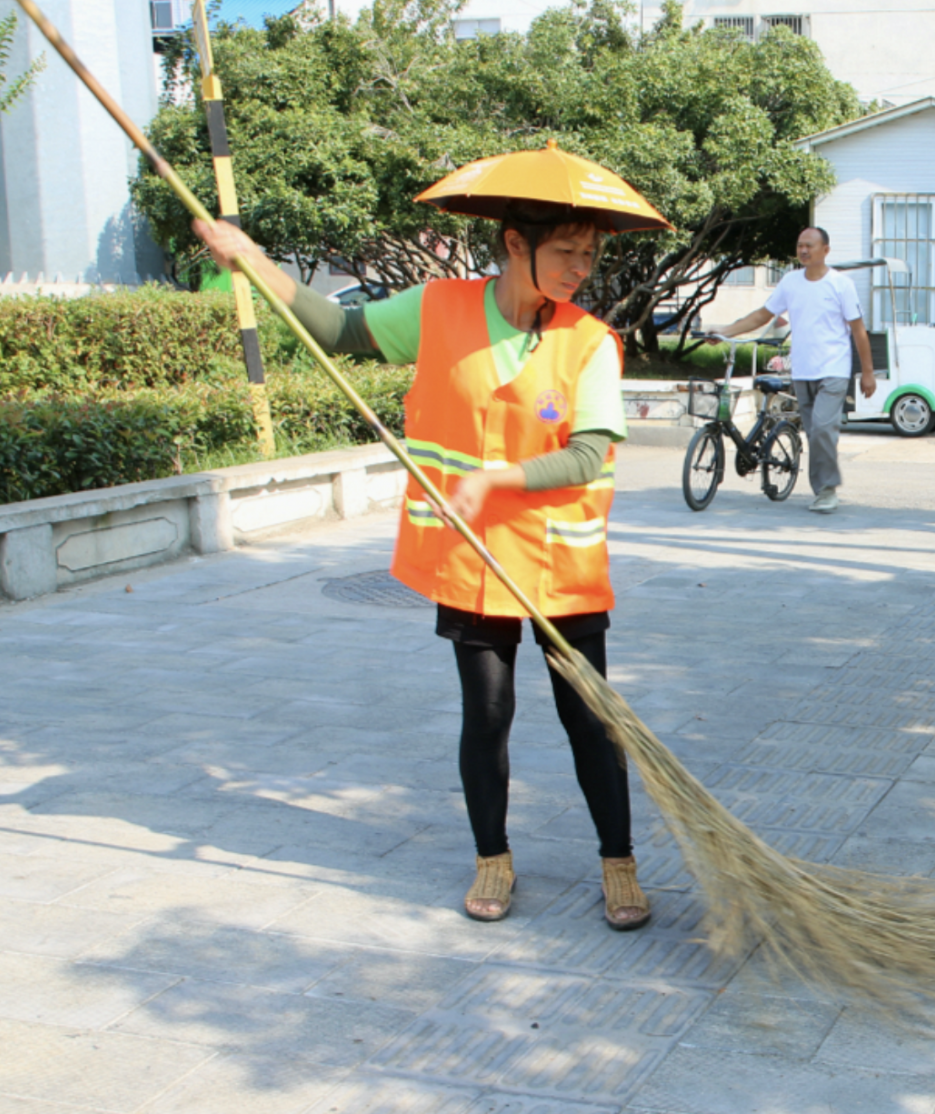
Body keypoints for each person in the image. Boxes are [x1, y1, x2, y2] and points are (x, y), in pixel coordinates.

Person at [192, 189, 654, 934]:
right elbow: (338, 327)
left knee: (589, 718)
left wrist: (493, 480)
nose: (580, 268)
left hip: (558, 562)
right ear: (513, 242)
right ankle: (492, 856)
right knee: (489, 714)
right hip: (471, 557)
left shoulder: (590, 340)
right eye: (566, 251)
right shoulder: (439, 309)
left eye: (590, 254)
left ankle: (618, 861)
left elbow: (590, 452)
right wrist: (251, 262)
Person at [716, 227, 877, 514]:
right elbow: (762, 315)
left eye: (809, 245)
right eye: (800, 245)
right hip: (803, 370)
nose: (803, 250)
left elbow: (858, 331)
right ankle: (821, 490)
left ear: (825, 250)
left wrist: (867, 372)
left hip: (834, 370)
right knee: (814, 432)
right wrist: (725, 331)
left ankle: (827, 490)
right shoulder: (790, 282)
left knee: (824, 429)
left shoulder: (841, 285)